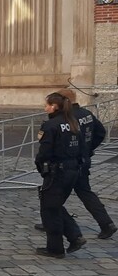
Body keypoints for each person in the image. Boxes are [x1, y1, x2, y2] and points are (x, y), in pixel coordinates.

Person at [34, 89, 116, 239]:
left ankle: (54, 224)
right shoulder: (86, 113)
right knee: (84, 192)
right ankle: (106, 223)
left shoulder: (68, 117)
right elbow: (100, 132)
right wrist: (88, 149)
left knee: (52, 196)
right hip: (81, 160)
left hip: (68, 162)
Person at [34, 92, 87, 258]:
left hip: (57, 171)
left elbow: (44, 152)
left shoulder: (51, 126)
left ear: (54, 106)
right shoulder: (73, 122)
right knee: (54, 205)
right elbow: (82, 147)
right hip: (73, 169)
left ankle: (57, 247)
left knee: (49, 209)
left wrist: (41, 168)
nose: (45, 108)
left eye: (47, 105)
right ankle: (74, 236)